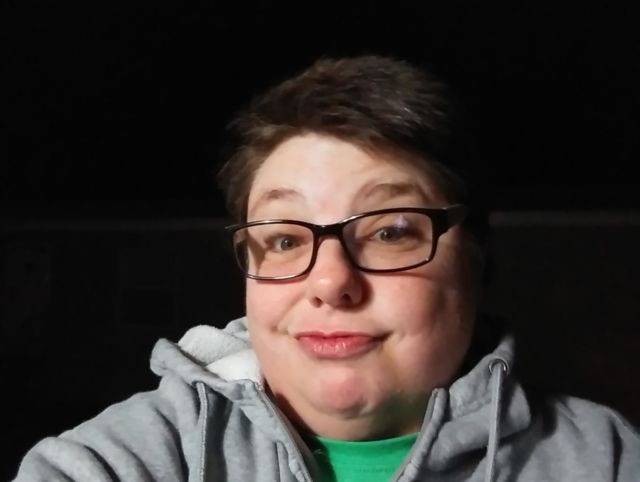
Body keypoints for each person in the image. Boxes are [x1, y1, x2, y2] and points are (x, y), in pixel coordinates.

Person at [13, 55, 639, 482]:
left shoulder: (607, 461)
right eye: (285, 239)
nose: (331, 282)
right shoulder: (114, 462)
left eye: (390, 231)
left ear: (476, 258)